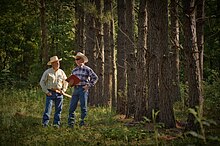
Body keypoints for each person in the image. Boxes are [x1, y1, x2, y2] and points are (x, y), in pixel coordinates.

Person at [68, 52, 98, 128]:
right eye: (75, 59)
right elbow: (72, 81)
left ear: (82, 60)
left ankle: (82, 124)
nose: (76, 61)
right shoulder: (74, 70)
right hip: (75, 89)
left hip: (83, 90)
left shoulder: (87, 69)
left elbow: (95, 78)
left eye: (78, 59)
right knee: (72, 107)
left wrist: (88, 85)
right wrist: (71, 83)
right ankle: (71, 124)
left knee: (83, 107)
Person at [40, 56, 68, 127]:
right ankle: (45, 124)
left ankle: (56, 124)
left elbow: (66, 81)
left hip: (59, 93)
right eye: (56, 62)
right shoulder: (47, 72)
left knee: (58, 110)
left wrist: (64, 90)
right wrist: (46, 91)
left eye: (58, 62)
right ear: (52, 64)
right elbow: (42, 82)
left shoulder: (61, 72)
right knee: (48, 109)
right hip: (50, 92)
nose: (58, 64)